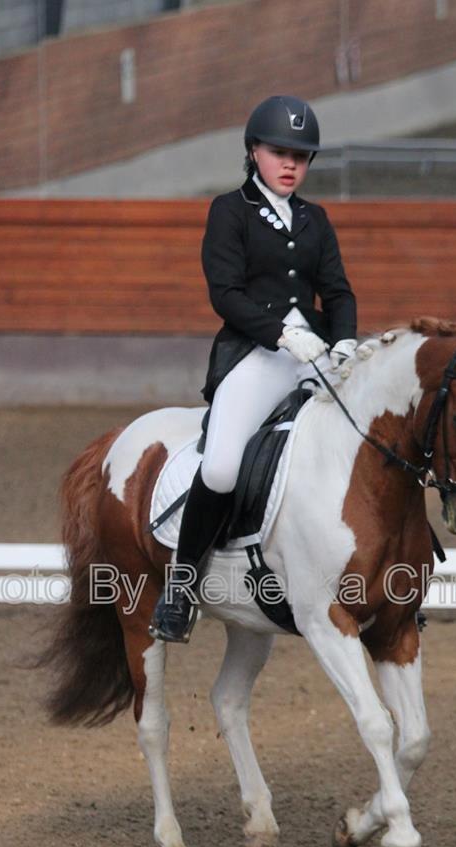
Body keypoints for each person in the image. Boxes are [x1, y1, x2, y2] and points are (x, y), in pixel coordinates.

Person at [149, 94, 358, 643]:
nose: (291, 164)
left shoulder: (315, 219)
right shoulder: (229, 211)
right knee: (220, 468)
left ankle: (385, 579)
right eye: (279, 153)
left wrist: (343, 341)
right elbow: (225, 293)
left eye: (301, 156)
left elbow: (337, 292)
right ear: (253, 152)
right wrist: (281, 334)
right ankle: (181, 588)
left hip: (314, 358)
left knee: (371, 438)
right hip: (257, 356)